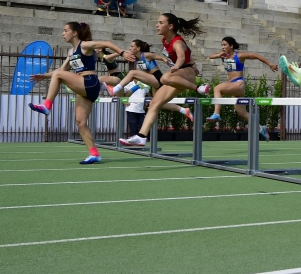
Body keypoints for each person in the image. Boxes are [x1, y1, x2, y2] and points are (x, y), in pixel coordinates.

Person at [28, 22, 130, 164]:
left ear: (74, 33)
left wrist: (123, 52)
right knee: (80, 122)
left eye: (65, 30)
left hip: (90, 81)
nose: (63, 34)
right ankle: (94, 154)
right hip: (83, 88)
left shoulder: (84, 46)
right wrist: (44, 76)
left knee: (58, 75)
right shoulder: (71, 52)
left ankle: (47, 106)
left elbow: (107, 43)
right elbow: (62, 71)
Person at [119, 13, 208, 147]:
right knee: (154, 103)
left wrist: (177, 66)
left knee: (165, 77)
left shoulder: (177, 42)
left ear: (170, 26)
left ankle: (198, 88)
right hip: (177, 77)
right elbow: (188, 53)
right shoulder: (164, 41)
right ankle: (141, 136)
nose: (157, 25)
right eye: (157, 22)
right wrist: (193, 64)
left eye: (161, 23)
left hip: (186, 73)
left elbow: (182, 57)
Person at [205, 36, 279, 140]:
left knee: (217, 88)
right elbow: (210, 56)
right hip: (233, 87)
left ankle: (216, 113)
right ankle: (260, 127)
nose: (222, 47)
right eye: (221, 45)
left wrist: (270, 64)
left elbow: (256, 55)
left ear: (231, 46)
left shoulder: (239, 56)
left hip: (239, 84)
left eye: (225, 45)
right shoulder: (223, 56)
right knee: (242, 113)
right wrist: (218, 54)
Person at [104, 39, 194, 122]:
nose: (130, 48)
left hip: (157, 77)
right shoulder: (135, 56)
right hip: (152, 81)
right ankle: (183, 110)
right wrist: (121, 52)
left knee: (132, 73)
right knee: (156, 104)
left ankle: (114, 90)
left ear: (138, 48)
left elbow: (162, 58)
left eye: (132, 46)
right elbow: (117, 54)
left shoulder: (146, 55)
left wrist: (172, 66)